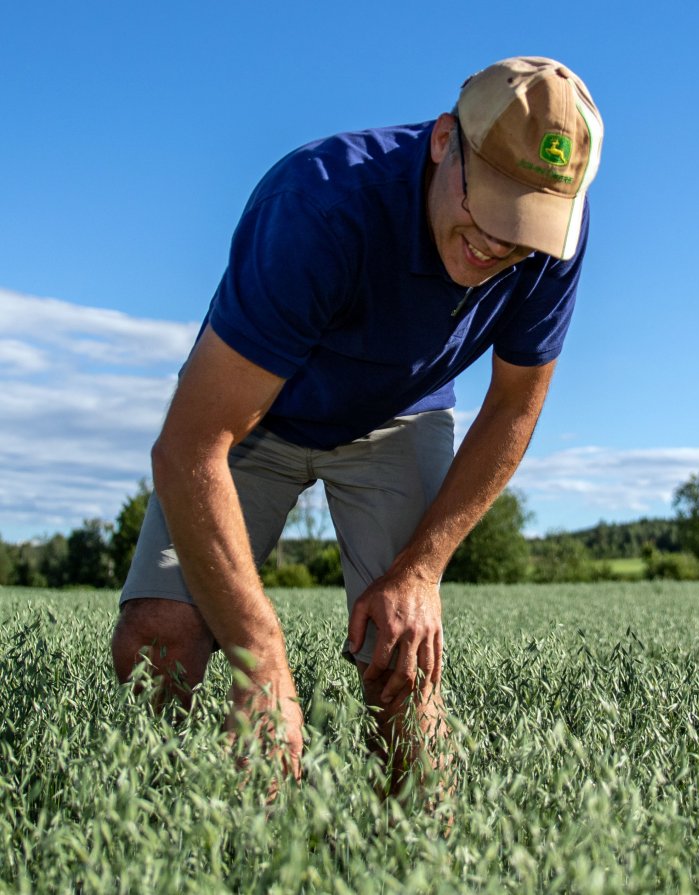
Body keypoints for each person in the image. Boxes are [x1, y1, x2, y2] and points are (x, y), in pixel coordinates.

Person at [111, 56, 603, 785]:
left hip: (401, 414)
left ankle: (421, 857)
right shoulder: (318, 203)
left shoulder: (554, 236)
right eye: (492, 202)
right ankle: (156, 830)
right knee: (158, 635)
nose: (500, 244)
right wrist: (260, 653)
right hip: (259, 414)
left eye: (526, 224)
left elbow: (513, 407)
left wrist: (422, 568)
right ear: (443, 141)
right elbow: (189, 447)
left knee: (403, 659)